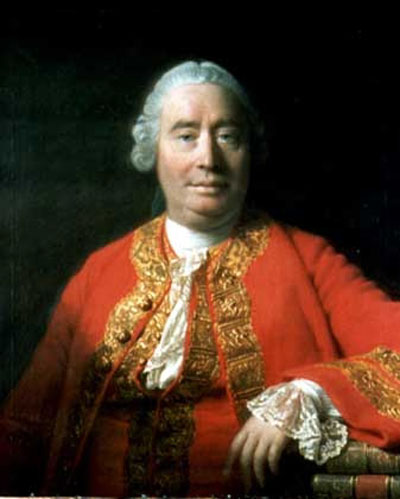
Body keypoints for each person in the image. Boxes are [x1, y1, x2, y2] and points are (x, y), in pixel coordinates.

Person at [1, 60, 400, 497]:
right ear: (153, 150)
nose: (208, 159)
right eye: (186, 136)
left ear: (250, 152)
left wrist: (309, 393)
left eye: (228, 137)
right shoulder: (99, 272)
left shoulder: (310, 260)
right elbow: (24, 424)